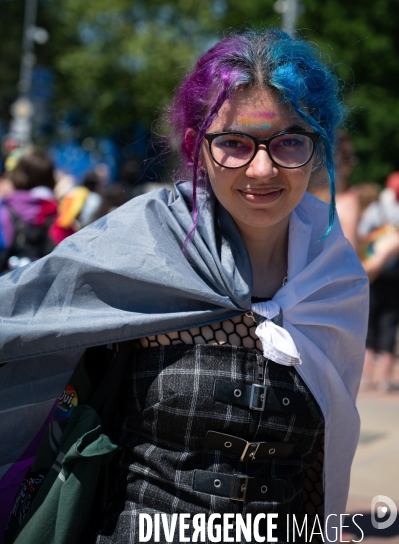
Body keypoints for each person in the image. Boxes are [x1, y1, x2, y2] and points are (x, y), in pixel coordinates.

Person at [0, 29, 368, 543]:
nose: (262, 168)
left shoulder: (334, 278)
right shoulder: (141, 243)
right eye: (235, 143)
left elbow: (319, 465)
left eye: (288, 141)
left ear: (316, 147)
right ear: (197, 147)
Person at [0, 147, 74, 272]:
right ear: (50, 176)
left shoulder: (5, 211)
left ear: (18, 176)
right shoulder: (61, 216)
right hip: (46, 289)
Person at [359, 172, 399, 391]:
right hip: (395, 277)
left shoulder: (377, 209)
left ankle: (366, 376)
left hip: (373, 273)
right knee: (389, 326)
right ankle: (384, 378)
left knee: (370, 324)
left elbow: (363, 233)